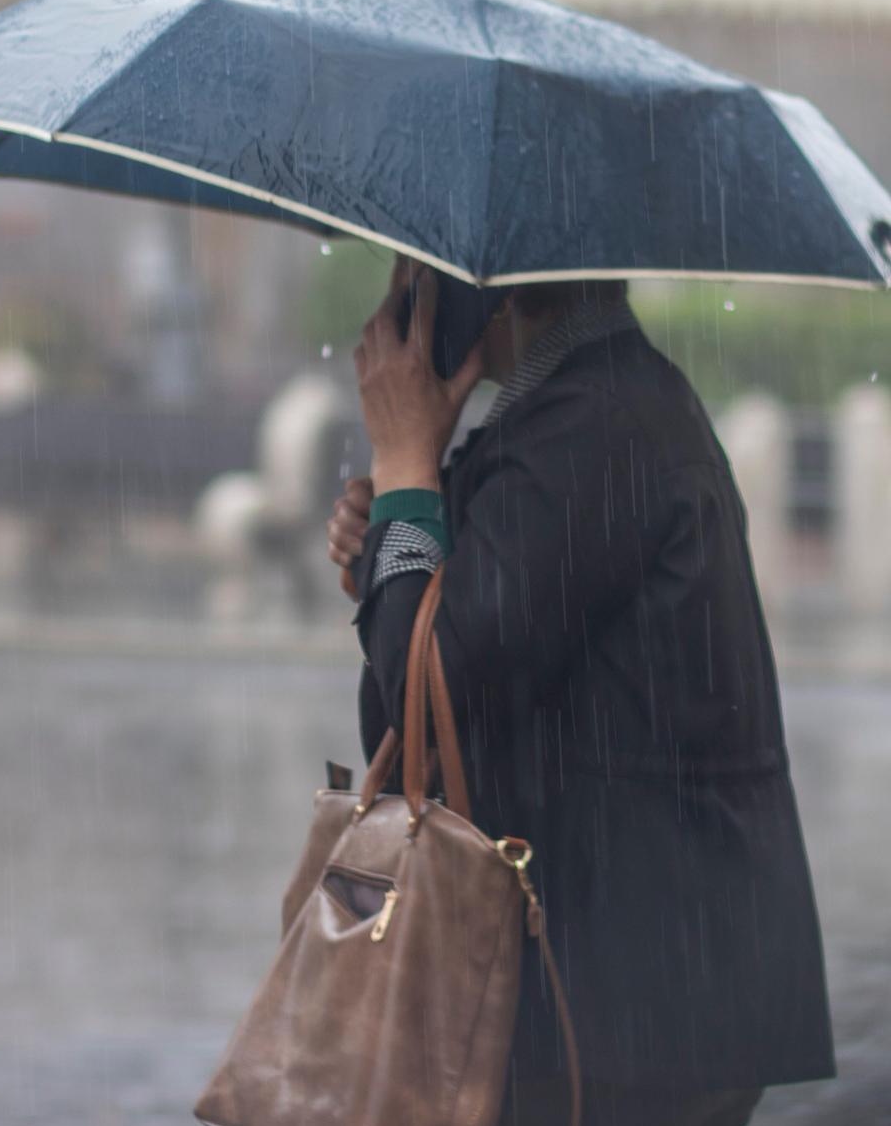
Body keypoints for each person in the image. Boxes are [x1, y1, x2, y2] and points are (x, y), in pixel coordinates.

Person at [327, 257, 834, 1126]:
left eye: (418, 271)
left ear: (493, 281)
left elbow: (430, 680)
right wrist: (399, 530)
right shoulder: (590, 408)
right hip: (632, 1002)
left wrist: (407, 471)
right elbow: (426, 701)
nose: (397, 305)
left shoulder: (594, 428)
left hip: (621, 1015)